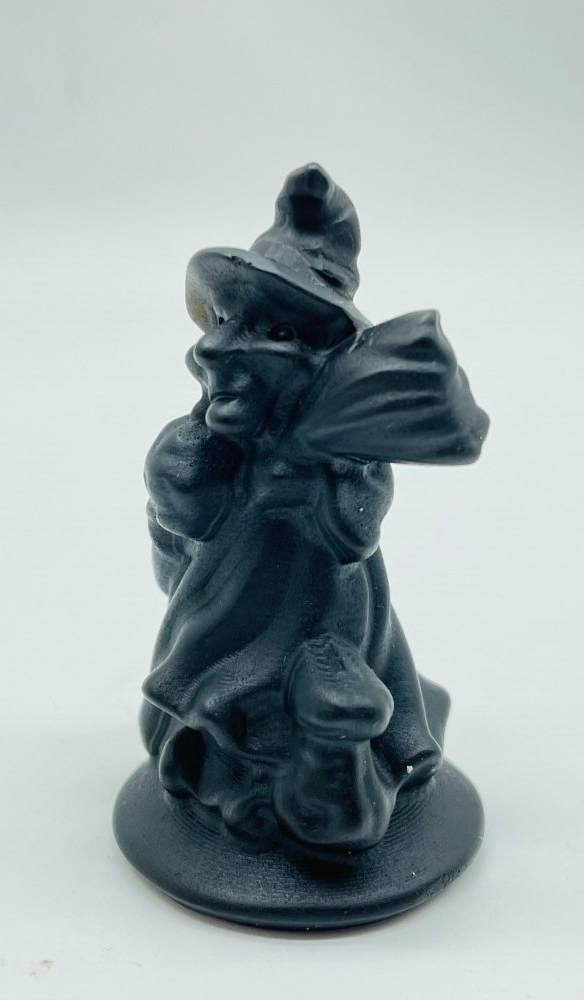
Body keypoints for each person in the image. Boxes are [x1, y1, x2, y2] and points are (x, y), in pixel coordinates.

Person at [139, 164, 488, 851]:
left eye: (269, 330)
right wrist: (179, 481)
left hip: (325, 610)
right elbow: (180, 528)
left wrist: (318, 481)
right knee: (215, 702)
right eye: (227, 321)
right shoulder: (212, 435)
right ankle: (244, 773)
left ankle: (338, 756)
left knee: (322, 685)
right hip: (227, 610)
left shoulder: (344, 450)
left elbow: (356, 532)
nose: (217, 345)